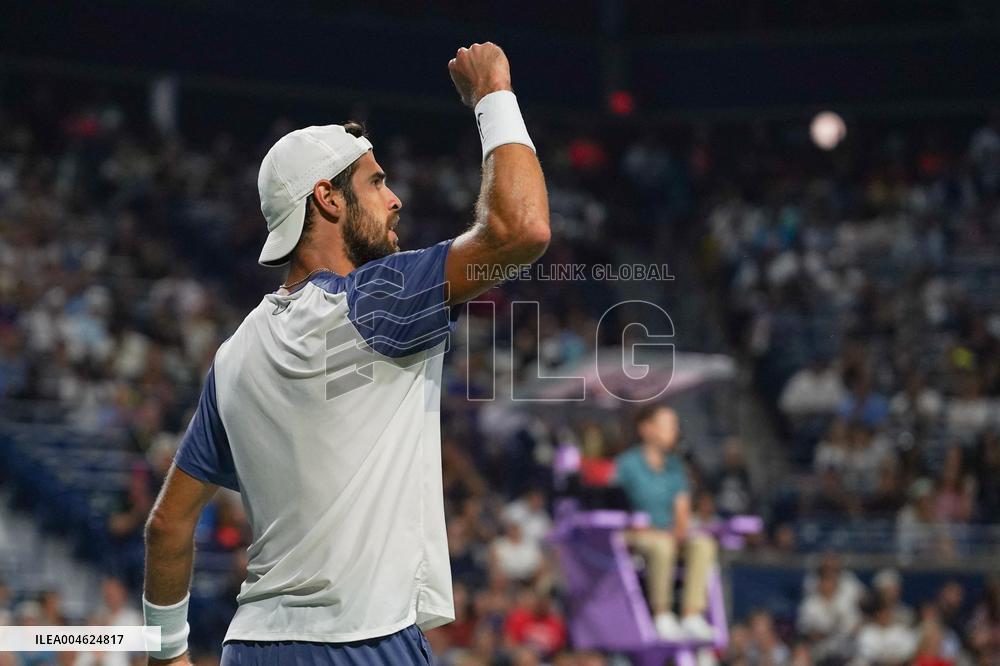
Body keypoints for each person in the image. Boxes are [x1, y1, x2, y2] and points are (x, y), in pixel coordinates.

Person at [142, 42, 550, 665]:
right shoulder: (374, 300)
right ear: (327, 199)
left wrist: (166, 656)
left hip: (251, 647)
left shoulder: (233, 357)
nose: (395, 201)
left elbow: (167, 529)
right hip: (361, 642)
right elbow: (521, 229)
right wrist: (494, 95)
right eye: (377, 182)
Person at [613, 404, 717, 641]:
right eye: (668, 425)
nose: (675, 431)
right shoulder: (626, 464)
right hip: (634, 534)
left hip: (667, 534)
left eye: (675, 426)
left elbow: (682, 506)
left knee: (703, 544)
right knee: (662, 546)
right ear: (647, 429)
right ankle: (662, 614)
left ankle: (691, 615)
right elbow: (613, 504)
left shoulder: (675, 467)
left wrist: (680, 532)